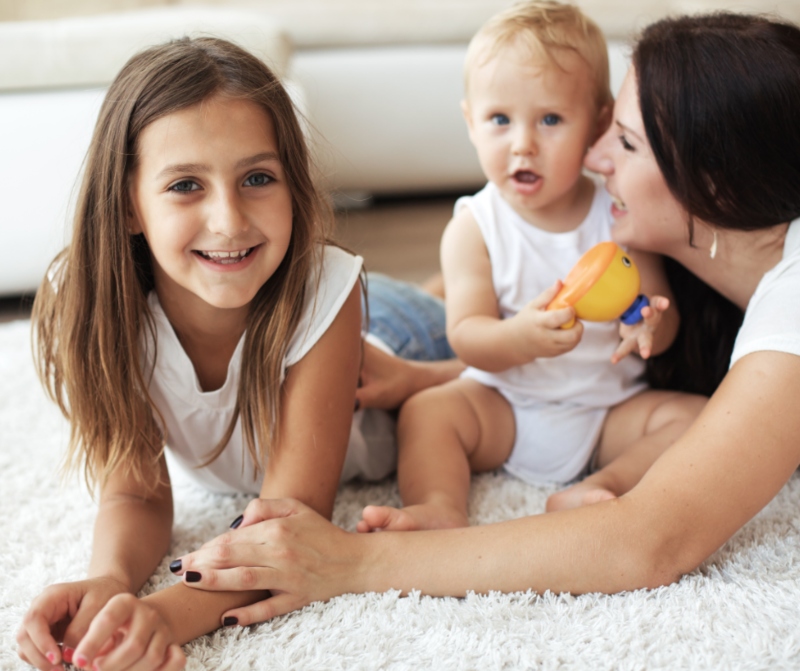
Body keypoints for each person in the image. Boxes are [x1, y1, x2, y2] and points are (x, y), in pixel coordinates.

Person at [170, 10, 800, 628]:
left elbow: (649, 538)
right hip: (463, 358)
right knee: (364, 314)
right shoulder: (490, 224)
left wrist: (356, 561)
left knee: (360, 305)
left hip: (570, 397)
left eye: (626, 139)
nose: (596, 152)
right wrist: (428, 378)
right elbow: (477, 340)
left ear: (716, 181)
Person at [16, 37, 461, 671]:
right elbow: (136, 496)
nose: (228, 219)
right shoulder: (92, 306)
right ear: (127, 204)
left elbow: (293, 525)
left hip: (397, 334)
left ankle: (452, 301)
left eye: (257, 178)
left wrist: (162, 616)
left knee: (488, 341)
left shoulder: (326, 291)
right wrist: (110, 584)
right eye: (185, 185)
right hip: (310, 296)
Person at [357, 1, 705, 533]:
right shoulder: (475, 227)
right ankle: (438, 508)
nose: (523, 143)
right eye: (500, 119)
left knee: (694, 418)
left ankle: (603, 487)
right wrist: (519, 337)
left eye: (550, 119)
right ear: (471, 122)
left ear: (599, 122)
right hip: (504, 405)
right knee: (429, 413)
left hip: (606, 409)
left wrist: (647, 324)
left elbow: (658, 310)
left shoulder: (618, 216)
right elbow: (467, 337)